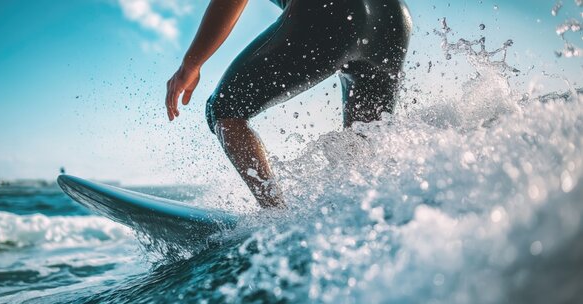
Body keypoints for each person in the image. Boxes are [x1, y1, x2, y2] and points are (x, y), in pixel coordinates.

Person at [165, 0, 412, 208]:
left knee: (224, 108)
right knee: (363, 143)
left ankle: (276, 215)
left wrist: (191, 64)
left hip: (330, 11)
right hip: (393, 19)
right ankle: (360, 215)